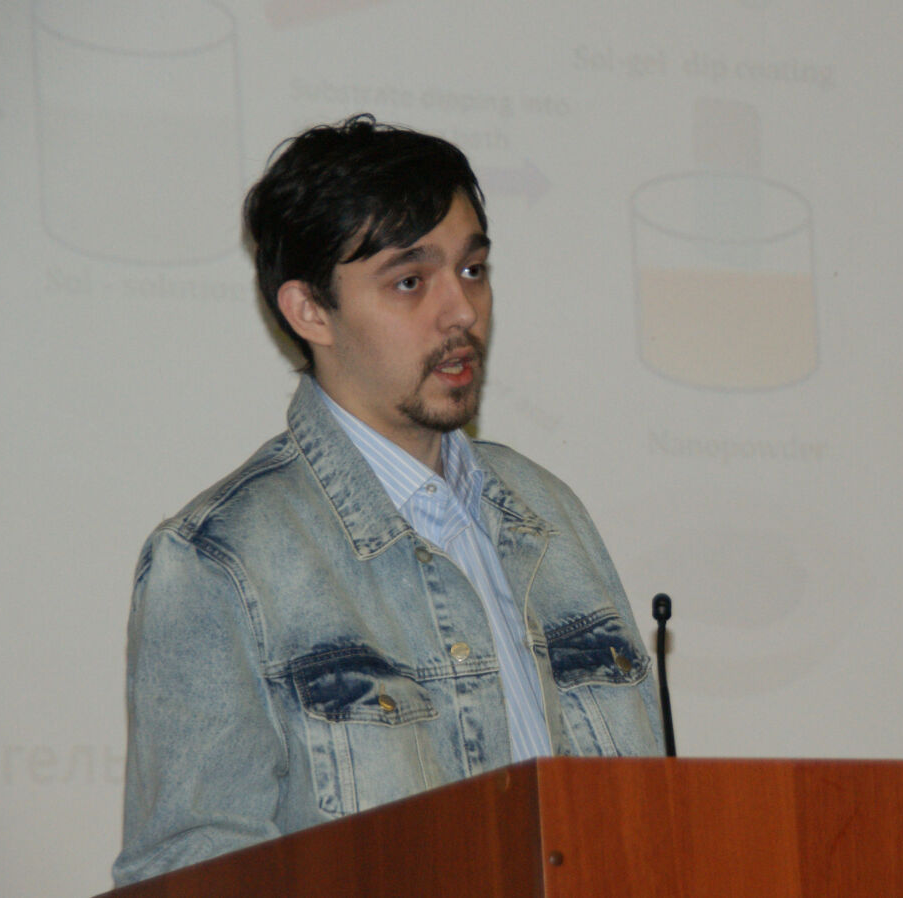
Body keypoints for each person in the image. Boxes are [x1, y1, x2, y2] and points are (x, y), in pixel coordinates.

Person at [112, 114, 662, 885]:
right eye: (410, 281)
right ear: (309, 311)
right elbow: (191, 875)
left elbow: (648, 825)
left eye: (472, 269)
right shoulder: (218, 562)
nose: (461, 311)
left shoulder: (549, 514)